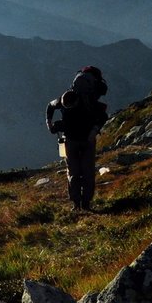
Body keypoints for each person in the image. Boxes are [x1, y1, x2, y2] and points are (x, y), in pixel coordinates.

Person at [46, 67, 109, 211]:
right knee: (87, 171)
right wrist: (94, 130)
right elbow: (103, 117)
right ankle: (85, 204)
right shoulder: (92, 102)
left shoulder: (65, 99)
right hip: (87, 139)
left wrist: (49, 123)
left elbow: (50, 105)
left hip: (71, 139)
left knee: (73, 172)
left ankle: (77, 204)